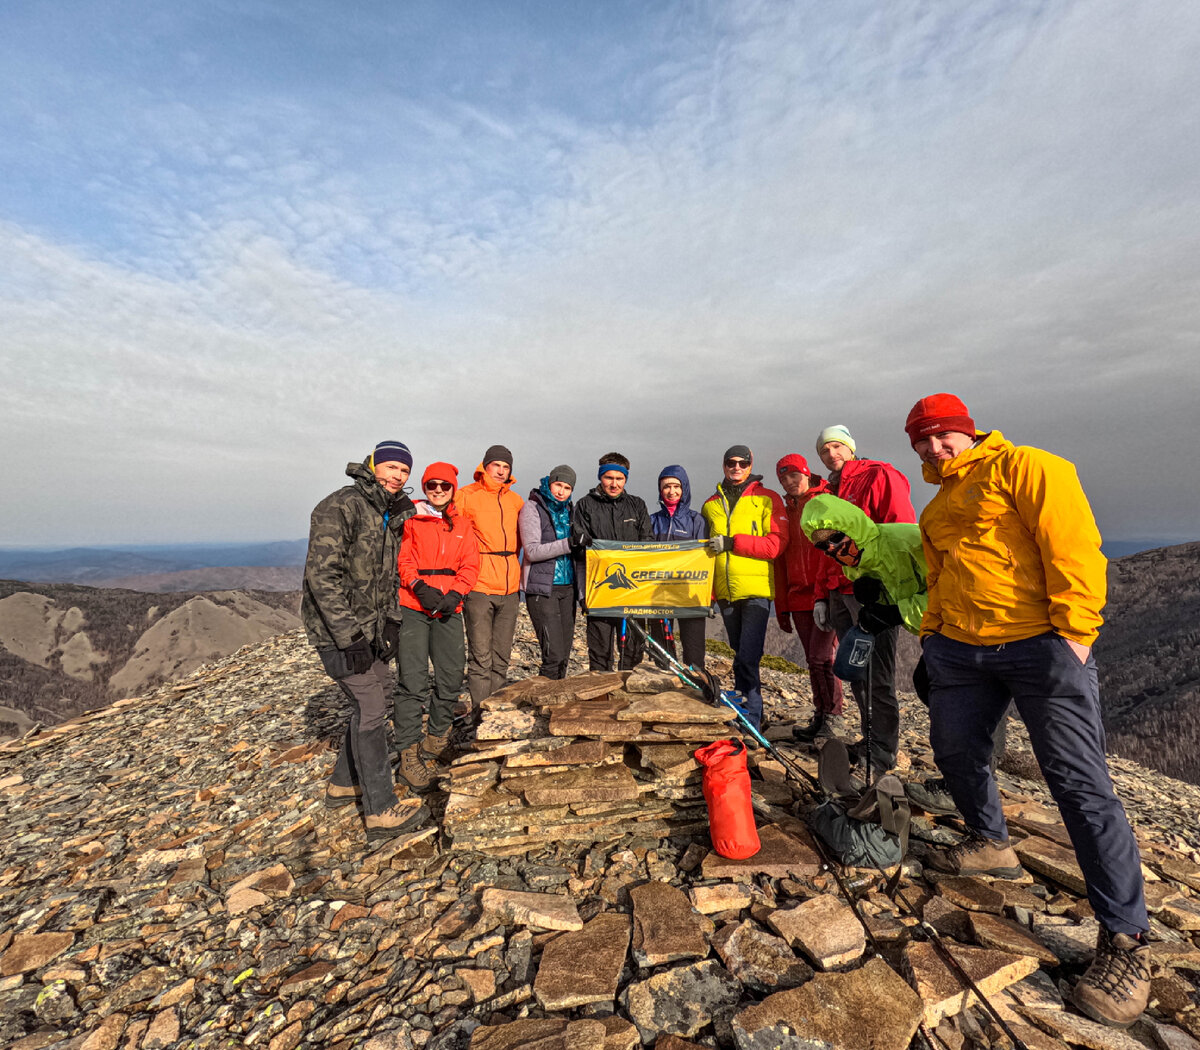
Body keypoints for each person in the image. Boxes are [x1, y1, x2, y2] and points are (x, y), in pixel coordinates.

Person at [907, 393, 1150, 1029]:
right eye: (921, 441)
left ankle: (1126, 940)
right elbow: (938, 575)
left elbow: (1072, 546)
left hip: (1041, 643)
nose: (933, 448)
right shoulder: (935, 507)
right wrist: (932, 634)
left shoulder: (1033, 467)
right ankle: (990, 842)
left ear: (967, 431)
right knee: (956, 752)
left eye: (942, 436)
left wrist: (1075, 633)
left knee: (1078, 782)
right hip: (961, 651)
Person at [300, 440, 430, 842]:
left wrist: (390, 624)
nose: (397, 476)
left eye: (404, 471)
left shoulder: (389, 513)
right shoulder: (340, 506)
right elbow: (322, 578)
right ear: (373, 466)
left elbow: (388, 577)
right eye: (390, 467)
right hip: (338, 632)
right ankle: (380, 809)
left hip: (372, 629)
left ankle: (343, 784)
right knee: (371, 706)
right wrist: (348, 636)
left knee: (380, 692)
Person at [813, 425, 915, 775]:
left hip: (874, 589)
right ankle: (870, 738)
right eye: (825, 450)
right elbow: (824, 549)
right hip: (839, 589)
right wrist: (822, 594)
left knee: (878, 673)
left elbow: (902, 530)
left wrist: (888, 582)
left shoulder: (879, 475)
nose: (832, 454)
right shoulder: (827, 491)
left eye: (837, 446)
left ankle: (883, 748)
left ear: (851, 448)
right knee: (855, 667)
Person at [394, 463, 480, 792]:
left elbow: (471, 563)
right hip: (415, 606)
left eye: (445, 485)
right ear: (425, 486)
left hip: (449, 607)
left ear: (454, 487)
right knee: (412, 681)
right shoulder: (412, 518)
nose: (439, 489)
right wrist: (417, 586)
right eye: (432, 484)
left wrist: (457, 592)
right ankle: (408, 754)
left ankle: (435, 739)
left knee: (450, 674)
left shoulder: (463, 524)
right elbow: (404, 558)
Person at [701, 445, 788, 730]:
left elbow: (776, 545)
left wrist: (732, 542)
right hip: (725, 593)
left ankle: (751, 716)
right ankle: (747, 710)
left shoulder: (768, 499)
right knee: (739, 653)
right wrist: (710, 595)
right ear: (723, 465)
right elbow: (706, 555)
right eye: (731, 462)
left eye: (742, 462)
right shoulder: (711, 504)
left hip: (756, 591)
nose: (736, 467)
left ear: (751, 465)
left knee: (748, 655)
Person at [773, 455, 844, 742]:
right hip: (797, 596)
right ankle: (821, 713)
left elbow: (837, 549)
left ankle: (834, 717)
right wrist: (782, 606)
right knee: (812, 660)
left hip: (825, 593)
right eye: (784, 479)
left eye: (794, 476)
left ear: (806, 473)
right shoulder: (785, 511)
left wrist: (829, 592)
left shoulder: (827, 499)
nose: (790, 483)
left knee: (823, 658)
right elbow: (780, 561)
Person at [457, 445, 524, 717]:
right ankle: (477, 716)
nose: (501, 471)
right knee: (480, 657)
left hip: (510, 588)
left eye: (506, 467)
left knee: (502, 657)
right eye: (496, 465)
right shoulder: (466, 496)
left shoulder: (516, 501)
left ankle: (494, 714)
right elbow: (449, 531)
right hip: (479, 585)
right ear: (485, 466)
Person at [572, 452, 653, 671]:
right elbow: (579, 551)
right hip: (599, 589)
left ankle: (629, 695)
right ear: (600, 477)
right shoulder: (584, 505)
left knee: (634, 649)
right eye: (609, 478)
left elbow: (647, 542)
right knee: (599, 650)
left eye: (619, 479)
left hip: (633, 589)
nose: (614, 484)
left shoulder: (637, 505)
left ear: (626, 479)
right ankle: (601, 698)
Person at [519, 465, 578, 679]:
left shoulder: (571, 511)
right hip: (543, 589)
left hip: (568, 588)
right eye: (558, 485)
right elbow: (532, 551)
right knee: (553, 654)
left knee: (564, 655)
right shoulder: (532, 508)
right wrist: (569, 543)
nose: (561, 491)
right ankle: (542, 703)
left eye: (567, 487)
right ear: (549, 482)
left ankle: (556, 703)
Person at [648, 465, 709, 672]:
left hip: (690, 594)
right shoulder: (652, 521)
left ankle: (696, 687)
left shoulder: (696, 520)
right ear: (660, 490)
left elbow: (704, 557)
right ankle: (663, 688)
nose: (671, 491)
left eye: (676, 486)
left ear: (684, 489)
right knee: (661, 650)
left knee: (694, 650)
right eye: (666, 487)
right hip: (658, 595)